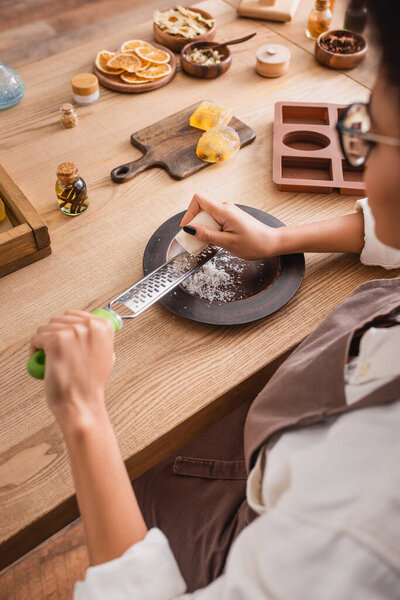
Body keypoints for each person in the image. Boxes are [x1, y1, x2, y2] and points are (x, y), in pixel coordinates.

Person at [30, 2, 400, 598]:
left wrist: (81, 412)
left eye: (367, 136)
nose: (361, 158)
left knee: (144, 452)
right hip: (306, 416)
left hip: (245, 531)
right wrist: (279, 239)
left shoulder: (362, 527)